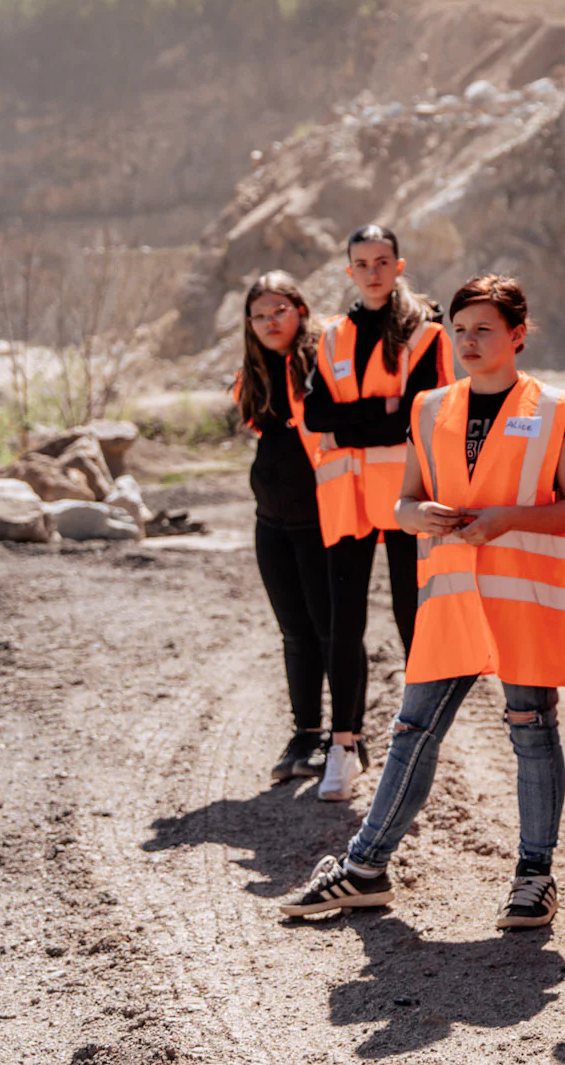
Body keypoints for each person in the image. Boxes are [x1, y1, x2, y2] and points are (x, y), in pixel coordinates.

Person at [280, 276, 565, 929]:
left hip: (526, 596)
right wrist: (416, 513)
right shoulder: (429, 407)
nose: (469, 341)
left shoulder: (557, 406)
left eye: (484, 328)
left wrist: (506, 518)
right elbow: (402, 500)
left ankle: (534, 876)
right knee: (411, 729)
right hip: (454, 596)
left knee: (532, 729)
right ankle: (366, 866)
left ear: (518, 333)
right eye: (460, 329)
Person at [299, 224, 453, 801]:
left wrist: (355, 419)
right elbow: (315, 415)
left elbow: (415, 414)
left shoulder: (426, 335)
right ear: (348, 271)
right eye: (361, 262)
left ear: (399, 266)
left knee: (415, 619)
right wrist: (379, 410)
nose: (372, 271)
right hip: (347, 499)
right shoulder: (332, 335)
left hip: (404, 496)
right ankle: (344, 746)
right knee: (344, 624)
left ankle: (420, 745)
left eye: (382, 261)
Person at [234, 272, 335, 786]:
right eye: (259, 315)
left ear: (300, 309)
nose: (270, 322)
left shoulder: (323, 361)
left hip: (320, 518)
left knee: (328, 629)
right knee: (293, 631)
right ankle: (305, 732)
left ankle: (343, 738)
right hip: (269, 521)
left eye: (279, 310)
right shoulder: (254, 374)